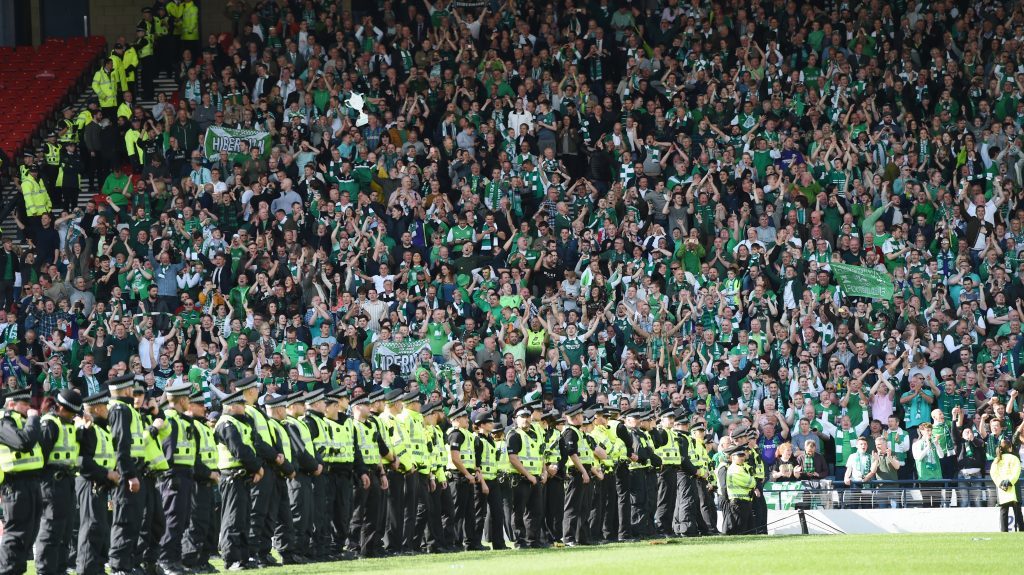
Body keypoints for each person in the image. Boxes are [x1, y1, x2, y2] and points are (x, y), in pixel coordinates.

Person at [214, 389, 264, 570]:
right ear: (232, 406)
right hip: (232, 477)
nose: (244, 407)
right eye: (241, 404)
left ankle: (243, 557)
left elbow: (253, 446)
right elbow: (239, 450)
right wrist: (257, 468)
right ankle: (231, 558)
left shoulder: (240, 423)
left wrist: (256, 467)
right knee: (233, 519)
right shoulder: (226, 423)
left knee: (242, 519)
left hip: (242, 477)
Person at [35, 389, 83, 575]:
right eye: (70, 412)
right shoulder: (50, 424)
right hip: (51, 482)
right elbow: (41, 458)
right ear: (60, 408)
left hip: (68, 481)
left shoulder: (69, 424)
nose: (73, 416)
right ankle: (45, 570)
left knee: (66, 529)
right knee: (51, 529)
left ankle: (60, 568)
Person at [154, 381, 198, 575]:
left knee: (181, 520)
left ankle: (175, 560)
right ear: (181, 400)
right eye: (187, 398)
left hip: (184, 475)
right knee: (172, 519)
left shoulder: (179, 419)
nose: (190, 401)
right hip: (174, 476)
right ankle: (166, 560)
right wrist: (171, 474)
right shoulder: (170, 419)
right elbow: (168, 451)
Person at [76, 390, 120, 575]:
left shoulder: (101, 429)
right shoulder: (87, 429)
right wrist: (107, 474)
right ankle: (87, 569)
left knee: (100, 527)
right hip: (89, 483)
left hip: (100, 485)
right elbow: (82, 462)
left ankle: (97, 567)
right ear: (96, 408)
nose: (108, 410)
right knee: (91, 527)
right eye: (105, 406)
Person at [105, 374, 145, 575]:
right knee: (124, 519)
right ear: (125, 390)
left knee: (133, 519)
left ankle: (127, 563)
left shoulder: (127, 409)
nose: (133, 392)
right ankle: (119, 566)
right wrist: (129, 474)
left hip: (133, 469)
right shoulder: (120, 409)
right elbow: (121, 444)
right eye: (131, 388)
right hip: (126, 472)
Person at [0, 388, 43, 575]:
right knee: (16, 535)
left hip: (33, 483)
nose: (28, 408)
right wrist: (34, 420)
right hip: (15, 485)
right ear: (11, 404)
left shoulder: (24, 422)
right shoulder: (4, 422)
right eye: (24, 404)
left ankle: (17, 571)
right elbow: (22, 443)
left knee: (29, 534)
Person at [181, 391, 219, 572]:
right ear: (190, 406)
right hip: (197, 481)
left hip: (208, 481)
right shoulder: (191, 427)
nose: (205, 408)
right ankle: (191, 561)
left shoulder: (202, 426)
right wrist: (208, 473)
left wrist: (215, 471)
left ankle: (203, 559)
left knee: (207, 523)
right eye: (200, 405)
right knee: (195, 524)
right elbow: (191, 458)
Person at [446, 406, 481, 551]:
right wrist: (467, 474)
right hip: (458, 477)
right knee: (457, 513)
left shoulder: (466, 434)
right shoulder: (456, 434)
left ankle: (470, 543)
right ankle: (455, 543)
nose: (468, 420)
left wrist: (475, 471)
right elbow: (455, 458)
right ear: (457, 420)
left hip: (467, 477)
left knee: (469, 513)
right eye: (464, 417)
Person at [990, 439, 1023, 532]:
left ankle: (1004, 532)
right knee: (1018, 512)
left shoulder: (996, 460)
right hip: (1013, 489)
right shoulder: (1014, 458)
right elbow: (1016, 472)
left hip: (1002, 490)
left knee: (1003, 512)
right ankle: (1022, 531)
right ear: (1010, 448)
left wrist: (1000, 483)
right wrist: (1009, 482)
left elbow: (993, 473)